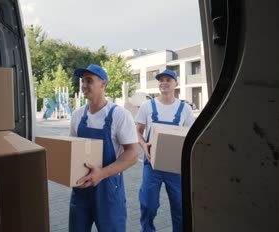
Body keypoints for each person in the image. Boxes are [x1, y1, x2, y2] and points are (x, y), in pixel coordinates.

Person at [69, 64, 139, 232]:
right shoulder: (77, 115)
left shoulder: (119, 115)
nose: (84, 85)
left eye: (89, 80)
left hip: (108, 190)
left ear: (103, 84)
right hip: (81, 188)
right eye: (82, 81)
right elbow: (72, 149)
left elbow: (132, 154)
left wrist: (102, 174)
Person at [135, 69, 195, 232]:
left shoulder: (185, 109)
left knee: (180, 207)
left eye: (168, 79)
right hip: (151, 164)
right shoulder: (148, 106)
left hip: (175, 167)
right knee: (148, 204)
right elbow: (137, 131)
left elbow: (191, 137)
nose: (164, 82)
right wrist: (143, 144)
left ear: (176, 83)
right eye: (161, 80)